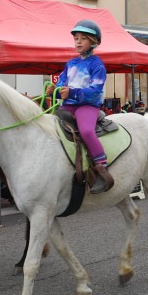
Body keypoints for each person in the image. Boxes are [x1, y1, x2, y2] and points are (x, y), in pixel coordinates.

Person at [48, 20, 114, 193]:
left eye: (83, 38)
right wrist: (53, 90)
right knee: (48, 125)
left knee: (86, 131)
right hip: (68, 105)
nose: (78, 42)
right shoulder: (70, 64)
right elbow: (62, 84)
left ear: (93, 42)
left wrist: (72, 93)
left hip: (87, 106)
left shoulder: (97, 65)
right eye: (76, 38)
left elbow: (94, 91)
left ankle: (102, 169)